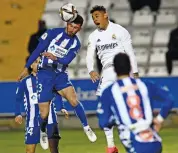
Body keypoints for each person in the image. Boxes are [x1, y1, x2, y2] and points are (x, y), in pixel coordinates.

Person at [18, 14, 97, 149]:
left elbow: (66, 61)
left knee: (73, 100)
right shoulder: (53, 33)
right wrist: (27, 67)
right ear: (67, 24)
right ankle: (43, 131)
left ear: (79, 29)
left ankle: (87, 127)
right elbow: (37, 50)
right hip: (44, 74)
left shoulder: (75, 43)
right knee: (44, 113)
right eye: (71, 26)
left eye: (76, 28)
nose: (72, 29)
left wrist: (55, 57)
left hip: (60, 74)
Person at [86, 5, 138, 153]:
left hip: (123, 71)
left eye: (97, 16)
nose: (95, 19)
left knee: (130, 105)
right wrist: (91, 70)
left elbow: (130, 52)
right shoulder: (93, 36)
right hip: (107, 71)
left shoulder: (120, 31)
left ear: (105, 15)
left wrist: (135, 72)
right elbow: (89, 55)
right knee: (103, 106)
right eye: (93, 17)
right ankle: (111, 146)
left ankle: (134, 139)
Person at [98, 53, 174, 153]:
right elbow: (169, 99)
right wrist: (159, 119)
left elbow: (103, 122)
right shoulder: (145, 84)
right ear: (130, 67)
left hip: (135, 142)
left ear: (115, 70)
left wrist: (117, 119)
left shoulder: (109, 92)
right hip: (154, 141)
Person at [15, 58, 69, 153]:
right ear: (31, 66)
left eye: (40, 62)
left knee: (54, 149)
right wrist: (18, 113)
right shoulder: (24, 82)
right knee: (29, 150)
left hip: (50, 119)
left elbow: (58, 93)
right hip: (33, 120)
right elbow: (18, 99)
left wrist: (62, 107)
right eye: (35, 62)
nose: (38, 64)